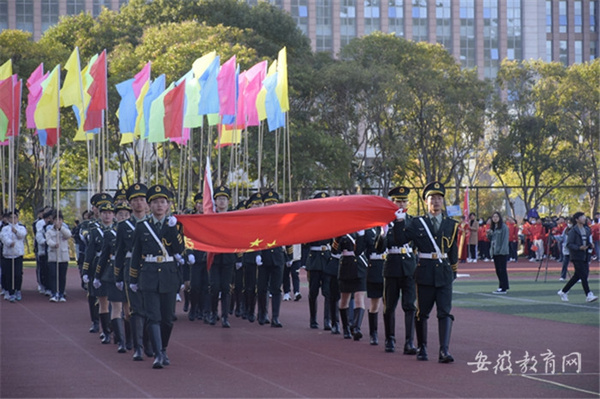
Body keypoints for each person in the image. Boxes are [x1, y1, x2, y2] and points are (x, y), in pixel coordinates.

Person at [394, 181, 459, 363]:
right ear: (426, 201)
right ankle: (422, 347)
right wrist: (399, 222)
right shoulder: (417, 223)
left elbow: (453, 251)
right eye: (432, 198)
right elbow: (400, 240)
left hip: (444, 273)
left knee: (445, 312)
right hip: (425, 272)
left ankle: (444, 351)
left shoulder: (451, 225)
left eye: (439, 198)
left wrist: (453, 271)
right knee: (422, 313)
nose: (436, 201)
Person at [129, 184, 185, 369]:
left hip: (169, 274)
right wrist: (133, 279)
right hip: (149, 274)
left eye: (163, 202)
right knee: (153, 316)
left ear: (168, 205)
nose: (160, 205)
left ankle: (164, 348)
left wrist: (172, 230)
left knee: (168, 318)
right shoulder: (142, 226)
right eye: (155, 202)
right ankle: (158, 354)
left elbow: (178, 250)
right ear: (149, 206)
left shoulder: (175, 225)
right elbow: (136, 255)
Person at [376, 186, 417, 354]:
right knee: (389, 306)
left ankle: (409, 342)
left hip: (408, 267)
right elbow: (379, 249)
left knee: (409, 306)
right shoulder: (386, 222)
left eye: (403, 200)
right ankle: (390, 339)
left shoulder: (412, 221)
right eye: (397, 201)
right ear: (392, 203)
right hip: (392, 266)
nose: (401, 203)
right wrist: (383, 234)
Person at [114, 183, 150, 361]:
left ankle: (150, 343)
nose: (139, 203)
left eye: (142, 199)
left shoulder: (154, 223)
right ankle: (138, 346)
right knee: (135, 309)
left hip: (151, 268)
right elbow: (119, 253)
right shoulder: (123, 226)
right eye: (135, 200)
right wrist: (118, 276)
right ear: (130, 203)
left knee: (150, 307)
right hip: (131, 269)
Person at [96, 202, 132, 353]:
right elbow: (103, 257)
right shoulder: (110, 234)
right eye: (120, 214)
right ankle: (121, 341)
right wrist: (97, 275)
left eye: (126, 214)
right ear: (115, 216)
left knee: (129, 309)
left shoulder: (134, 231)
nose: (123, 217)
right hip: (114, 273)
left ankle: (130, 340)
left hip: (129, 272)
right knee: (116, 307)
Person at [84, 199, 116, 344]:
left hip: (115, 266)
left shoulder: (119, 230)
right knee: (102, 300)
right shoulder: (95, 231)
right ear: (100, 214)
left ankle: (116, 329)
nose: (107, 216)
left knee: (116, 302)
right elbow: (90, 252)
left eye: (110, 213)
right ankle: (106, 330)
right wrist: (85, 271)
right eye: (104, 213)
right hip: (98, 267)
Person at [256, 189, 290, 327]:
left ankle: (275, 317)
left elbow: (288, 237)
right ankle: (262, 314)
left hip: (278, 256)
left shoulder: (282, 219)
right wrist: (257, 254)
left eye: (274, 202)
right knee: (262, 288)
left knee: (276, 288)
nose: (271, 205)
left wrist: (290, 256)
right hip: (263, 256)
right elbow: (255, 238)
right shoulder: (259, 219)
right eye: (268, 202)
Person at [208, 185, 237, 328]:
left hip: (228, 258)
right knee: (214, 287)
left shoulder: (233, 218)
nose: (222, 202)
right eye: (219, 199)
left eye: (224, 199)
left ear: (228, 202)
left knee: (226, 288)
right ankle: (213, 313)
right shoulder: (211, 217)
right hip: (214, 258)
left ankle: (225, 316)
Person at [332, 229, 367, 341]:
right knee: (344, 300)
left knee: (359, 297)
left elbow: (360, 250)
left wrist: (361, 235)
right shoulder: (342, 230)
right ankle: (346, 327)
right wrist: (337, 238)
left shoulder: (365, 231)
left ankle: (356, 328)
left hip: (359, 267)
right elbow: (334, 251)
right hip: (346, 266)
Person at [304, 192, 332, 330]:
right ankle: (313, 319)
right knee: (313, 291)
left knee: (328, 291)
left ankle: (327, 320)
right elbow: (305, 242)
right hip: (314, 259)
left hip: (327, 257)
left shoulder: (332, 220)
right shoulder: (310, 221)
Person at [557, 212, 598, 303]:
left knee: (578, 275)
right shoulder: (573, 231)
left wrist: (590, 246)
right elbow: (569, 244)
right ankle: (588, 294)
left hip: (585, 255)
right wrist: (579, 247)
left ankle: (563, 291)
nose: (584, 218)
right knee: (583, 275)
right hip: (576, 256)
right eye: (582, 217)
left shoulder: (586, 230)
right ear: (577, 219)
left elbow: (587, 242)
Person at [0, 209, 27, 302]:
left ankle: (17, 290)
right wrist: (9, 243)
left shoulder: (21, 227)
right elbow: (3, 238)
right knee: (9, 274)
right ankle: (10, 292)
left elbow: (22, 235)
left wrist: (15, 231)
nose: (13, 219)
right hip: (8, 255)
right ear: (8, 219)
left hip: (18, 254)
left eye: (15, 217)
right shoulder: (4, 228)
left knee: (18, 274)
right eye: (11, 218)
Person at [46, 210, 71, 302]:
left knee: (62, 276)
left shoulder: (65, 229)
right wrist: (53, 244)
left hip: (63, 257)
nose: (58, 222)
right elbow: (48, 240)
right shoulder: (49, 231)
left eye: (60, 220)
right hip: (53, 256)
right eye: (56, 220)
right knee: (53, 275)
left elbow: (68, 235)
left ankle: (61, 292)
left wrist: (61, 229)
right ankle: (54, 292)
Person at [487, 212, 510, 294]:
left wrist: (502, 251)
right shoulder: (493, 227)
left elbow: (505, 240)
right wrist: (489, 234)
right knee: (498, 270)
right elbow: (491, 239)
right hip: (495, 251)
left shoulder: (504, 227)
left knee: (502, 270)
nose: (495, 218)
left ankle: (504, 287)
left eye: (497, 216)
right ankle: (501, 286)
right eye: (493, 217)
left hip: (501, 252)